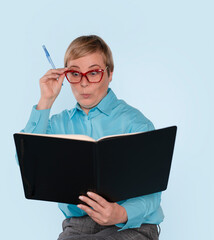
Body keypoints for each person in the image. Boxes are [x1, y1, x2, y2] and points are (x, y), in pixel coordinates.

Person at [20, 35, 162, 240]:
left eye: (93, 72)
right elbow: (28, 166)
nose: (84, 83)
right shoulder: (58, 124)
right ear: (65, 75)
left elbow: (152, 193)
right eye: (75, 74)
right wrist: (46, 101)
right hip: (78, 228)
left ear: (110, 73)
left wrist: (121, 213)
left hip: (131, 226)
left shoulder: (136, 123)